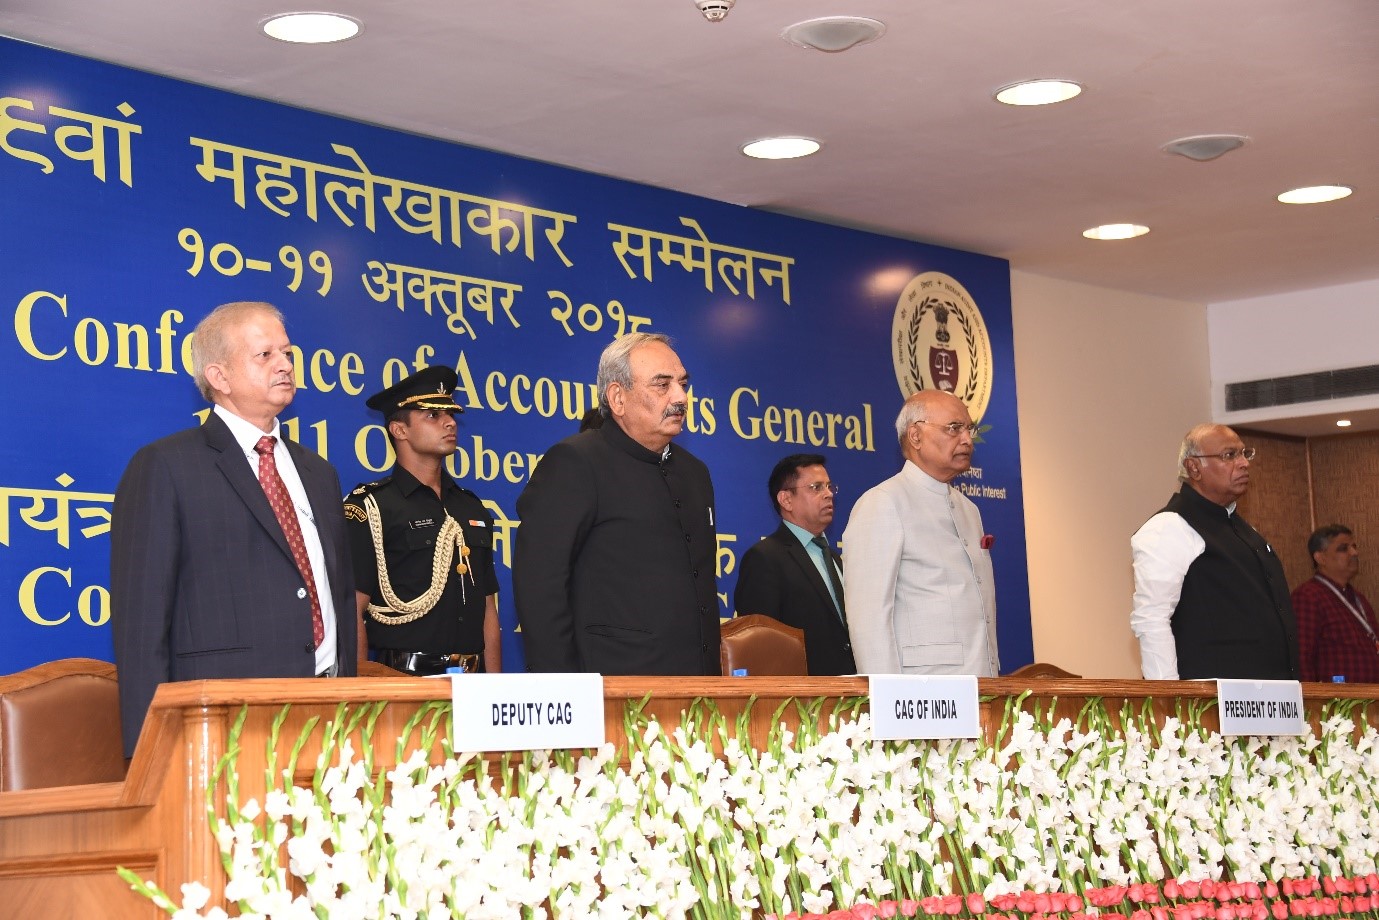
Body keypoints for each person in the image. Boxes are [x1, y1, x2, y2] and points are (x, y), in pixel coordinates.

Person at [111, 301, 356, 756]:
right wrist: (149, 751)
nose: (285, 365)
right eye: (265, 355)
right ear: (219, 377)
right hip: (226, 724)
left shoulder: (319, 473)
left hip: (327, 713)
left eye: (287, 353)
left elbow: (338, 594)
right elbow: (142, 627)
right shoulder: (165, 466)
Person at [513, 332, 720, 674]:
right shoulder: (575, 462)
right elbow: (540, 587)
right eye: (662, 385)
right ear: (618, 397)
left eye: (683, 383)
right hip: (611, 688)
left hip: (696, 688)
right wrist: (564, 691)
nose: (681, 397)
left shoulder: (694, 473)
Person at [344, 366, 500, 676]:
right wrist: (358, 695)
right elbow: (353, 611)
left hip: (473, 681)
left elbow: (488, 612)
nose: (450, 422)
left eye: (450, 414)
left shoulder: (471, 507)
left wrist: (494, 690)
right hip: (402, 681)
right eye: (432, 415)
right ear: (399, 430)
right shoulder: (371, 508)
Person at [842, 390, 999, 676]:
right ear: (916, 436)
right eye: (954, 428)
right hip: (922, 692)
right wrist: (891, 699)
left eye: (968, 429)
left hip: (981, 685)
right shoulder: (883, 502)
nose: (967, 439)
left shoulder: (969, 510)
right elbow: (869, 618)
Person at [1130, 423, 1298, 680]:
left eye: (1244, 454)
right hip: (1209, 707)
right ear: (1194, 468)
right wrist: (1168, 702)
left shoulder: (1244, 530)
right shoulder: (1169, 528)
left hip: (1269, 702)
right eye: (1229, 455)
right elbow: (1152, 620)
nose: (1243, 463)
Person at [733, 453, 855, 675]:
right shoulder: (765, 558)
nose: (828, 495)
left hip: (851, 693)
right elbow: (760, 645)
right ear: (786, 500)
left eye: (829, 486)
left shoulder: (836, 559)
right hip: (801, 698)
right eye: (816, 487)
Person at [1291, 524, 1379, 683]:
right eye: (1343, 548)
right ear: (1320, 558)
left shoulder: (1359, 599)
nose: (1354, 553)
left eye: (1354, 546)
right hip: (1333, 704)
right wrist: (1311, 702)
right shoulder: (1308, 596)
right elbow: (1301, 657)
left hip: (1368, 701)